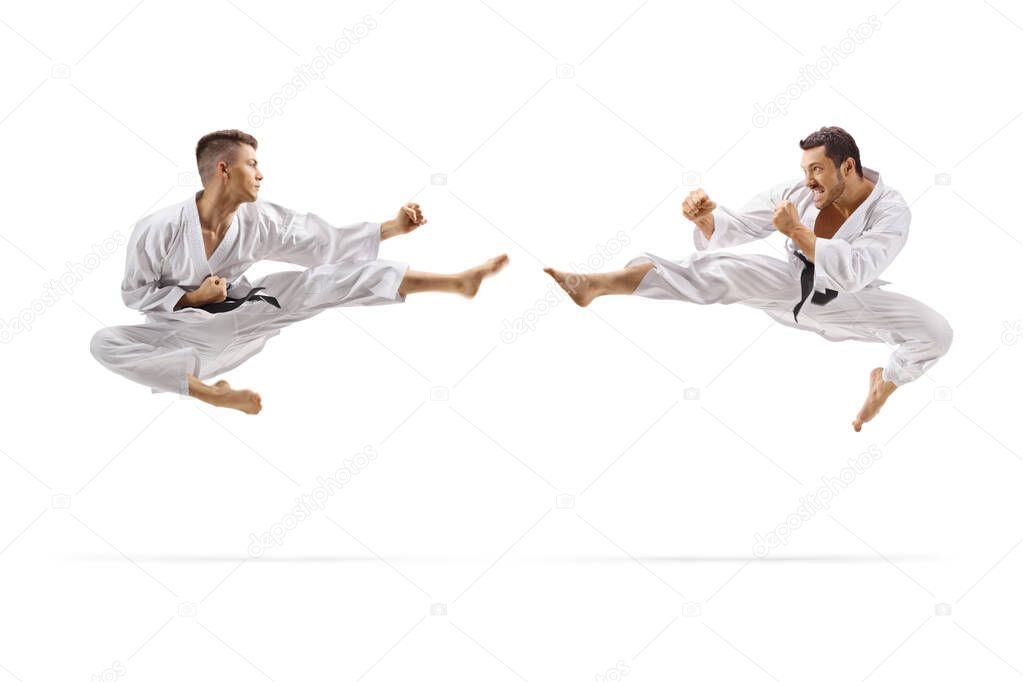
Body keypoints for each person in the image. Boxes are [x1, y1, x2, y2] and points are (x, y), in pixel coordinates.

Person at [545, 126, 952, 432]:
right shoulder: (799, 190)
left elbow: (859, 269)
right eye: (805, 169)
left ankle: (884, 385)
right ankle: (600, 284)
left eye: (817, 169)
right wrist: (706, 218)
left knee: (937, 333)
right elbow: (739, 225)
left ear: (847, 166)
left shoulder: (891, 209)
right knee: (727, 273)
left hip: (850, 299)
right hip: (792, 287)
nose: (809, 180)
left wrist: (798, 233)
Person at [91, 129, 508, 414]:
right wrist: (195, 298)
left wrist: (393, 227)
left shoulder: (259, 219)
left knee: (321, 283)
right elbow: (135, 293)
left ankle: (456, 281)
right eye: (252, 164)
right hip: (179, 338)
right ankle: (208, 393)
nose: (261, 173)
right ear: (223, 169)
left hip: (245, 315)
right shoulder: (159, 227)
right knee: (103, 342)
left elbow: (322, 242)